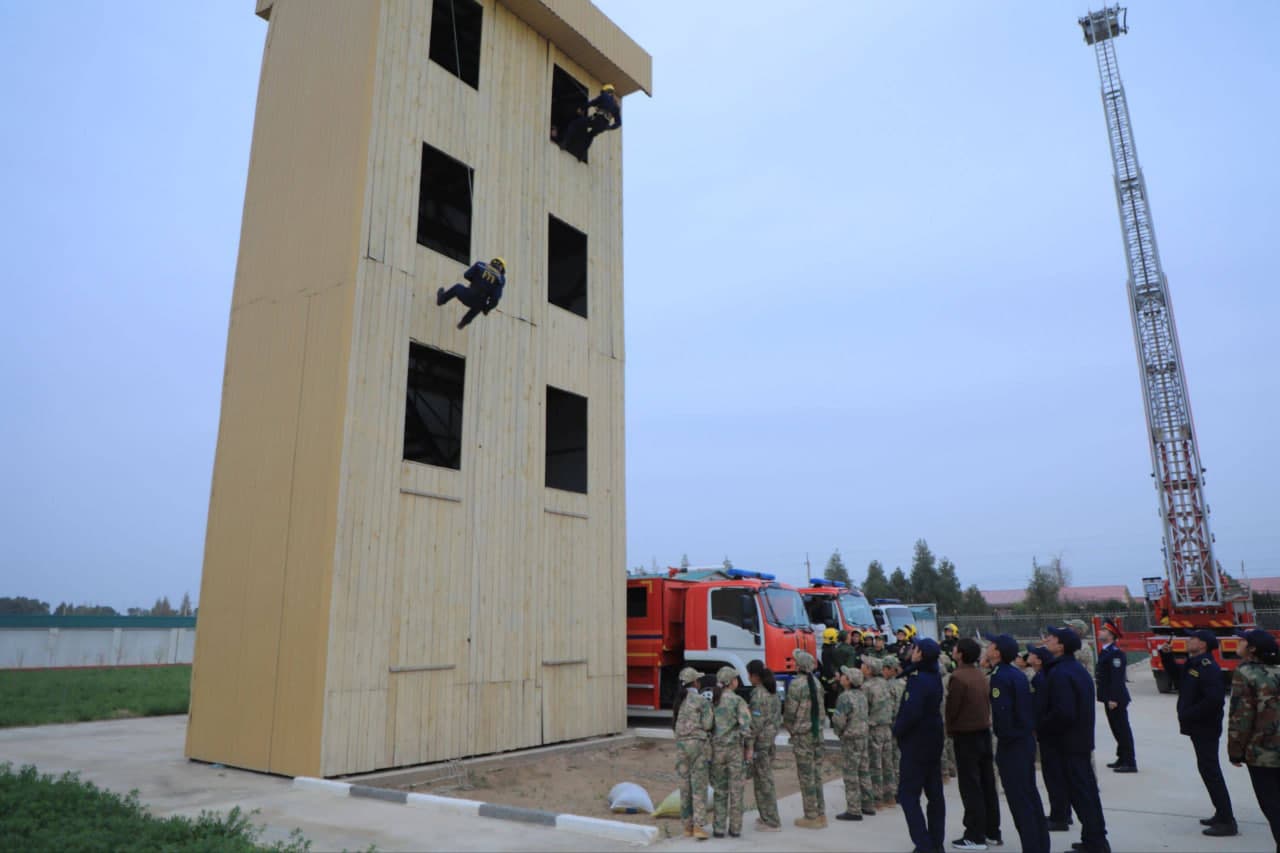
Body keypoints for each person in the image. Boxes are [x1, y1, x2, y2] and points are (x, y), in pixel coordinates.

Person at [1158, 630, 1236, 836]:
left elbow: (1215, 700)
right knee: (1207, 769)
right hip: (1198, 726)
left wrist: (1188, 714)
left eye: (1193, 638)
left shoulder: (1207, 667)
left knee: (1211, 771)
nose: (1188, 640)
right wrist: (1166, 656)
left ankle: (1227, 821)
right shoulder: (1194, 663)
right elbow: (1178, 677)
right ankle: (1221, 813)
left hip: (1205, 727)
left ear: (1202, 645)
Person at [1040, 625, 1109, 853]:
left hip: (1068, 744)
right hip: (1078, 742)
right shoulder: (1074, 669)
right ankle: (1093, 837)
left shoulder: (1061, 673)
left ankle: (1096, 843)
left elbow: (1064, 712)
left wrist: (1041, 726)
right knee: (1085, 792)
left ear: (1061, 646)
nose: (1046, 640)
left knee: (1082, 794)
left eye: (1051, 638)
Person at [986, 634, 1050, 853]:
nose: (988, 647)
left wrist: (1003, 738)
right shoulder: (1015, 673)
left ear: (997, 652)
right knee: (1030, 796)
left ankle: (1032, 847)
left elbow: (1003, 715)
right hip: (1023, 742)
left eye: (991, 645)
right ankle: (1040, 845)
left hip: (1012, 745)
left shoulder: (1000, 677)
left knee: (1020, 801)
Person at [1228, 629, 1280, 852]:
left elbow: (1241, 716)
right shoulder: (1277, 671)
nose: (1238, 644)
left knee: (1272, 806)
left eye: (1242, 641)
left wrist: (1235, 750)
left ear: (1252, 649)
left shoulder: (1245, 672)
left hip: (1262, 752)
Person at [947, 637, 1001, 850]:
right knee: (987, 783)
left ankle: (975, 835)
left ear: (960, 654)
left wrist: (950, 730)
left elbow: (952, 709)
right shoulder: (980, 675)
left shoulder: (958, 677)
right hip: (983, 733)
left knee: (971, 786)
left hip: (966, 735)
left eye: (955, 648)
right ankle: (992, 831)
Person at [894, 638, 947, 853]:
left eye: (914, 648)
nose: (911, 651)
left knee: (908, 795)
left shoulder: (918, 679)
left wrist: (897, 730)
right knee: (934, 794)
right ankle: (936, 842)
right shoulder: (933, 675)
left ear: (920, 655)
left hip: (917, 743)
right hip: (932, 740)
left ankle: (924, 845)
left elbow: (911, 713)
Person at [1028, 644, 1070, 832]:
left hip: (1049, 735)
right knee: (1055, 775)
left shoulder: (1041, 679)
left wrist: (1039, 725)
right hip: (1051, 733)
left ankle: (1059, 816)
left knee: (1054, 776)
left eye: (1032, 654)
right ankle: (1062, 813)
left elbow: (1043, 707)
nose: (1028, 656)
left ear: (1038, 660)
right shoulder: (1043, 676)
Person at [783, 648, 827, 828]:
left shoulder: (797, 684)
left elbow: (790, 712)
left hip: (802, 735)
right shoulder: (816, 683)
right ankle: (821, 812)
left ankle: (811, 816)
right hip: (817, 733)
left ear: (799, 666)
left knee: (806, 776)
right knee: (816, 774)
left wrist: (790, 728)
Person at [710, 667, 752, 838]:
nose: (738, 681)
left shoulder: (713, 700)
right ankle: (735, 828)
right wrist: (748, 747)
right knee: (736, 791)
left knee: (719, 790)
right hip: (734, 751)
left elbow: (707, 725)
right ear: (731, 681)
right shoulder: (738, 701)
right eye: (736, 678)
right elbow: (746, 727)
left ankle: (718, 828)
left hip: (717, 751)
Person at [672, 666, 713, 840]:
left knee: (685, 787)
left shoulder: (678, 700)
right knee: (699, 786)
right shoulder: (700, 700)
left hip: (681, 746)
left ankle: (687, 826)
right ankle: (699, 826)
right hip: (697, 745)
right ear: (695, 682)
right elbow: (708, 724)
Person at [833, 665, 874, 821]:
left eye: (845, 676)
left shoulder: (845, 697)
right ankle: (868, 805)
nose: (842, 677)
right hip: (863, 735)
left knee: (851, 773)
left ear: (849, 681)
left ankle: (854, 810)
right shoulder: (862, 695)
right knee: (864, 770)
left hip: (850, 738)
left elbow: (839, 720)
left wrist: (840, 732)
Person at [746, 660, 782, 833]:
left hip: (761, 743)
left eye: (749, 675)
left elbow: (755, 724)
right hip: (770, 741)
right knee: (763, 779)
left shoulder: (758, 694)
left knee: (763, 781)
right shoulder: (772, 691)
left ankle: (772, 820)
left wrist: (749, 745)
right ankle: (766, 816)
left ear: (754, 676)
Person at [1096, 621, 1137, 773]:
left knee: (1122, 730)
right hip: (1109, 698)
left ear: (1111, 635)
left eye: (1103, 630)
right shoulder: (1106, 651)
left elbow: (1117, 678)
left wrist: (1113, 698)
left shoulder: (1116, 653)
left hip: (1116, 699)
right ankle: (1122, 757)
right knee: (1116, 729)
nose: (1100, 632)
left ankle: (1130, 762)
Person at [437, 257, 507, 329]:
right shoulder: (501, 279)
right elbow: (495, 299)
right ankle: (463, 322)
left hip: (467, 295)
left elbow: (466, 275)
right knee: (480, 306)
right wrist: (487, 309)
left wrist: (476, 281)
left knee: (457, 287)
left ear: (492, 262)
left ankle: (441, 300)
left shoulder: (480, 264)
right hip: (478, 303)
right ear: (502, 269)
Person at [864, 657, 892, 813]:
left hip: (874, 728)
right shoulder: (885, 684)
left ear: (869, 669)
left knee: (875, 764)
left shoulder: (867, 686)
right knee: (887, 762)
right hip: (886, 727)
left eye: (864, 665)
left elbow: (864, 708)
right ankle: (890, 796)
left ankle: (877, 799)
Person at [561, 83, 622, 156]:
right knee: (590, 135)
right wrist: (610, 127)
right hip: (603, 126)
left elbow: (591, 103)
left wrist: (582, 108)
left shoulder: (604, 96)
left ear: (605, 91)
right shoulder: (616, 107)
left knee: (574, 124)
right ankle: (581, 155)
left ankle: (564, 144)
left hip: (596, 119)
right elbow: (619, 123)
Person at [887, 657, 906, 802]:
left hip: (893, 724)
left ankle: (896, 792)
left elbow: (891, 708)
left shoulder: (889, 686)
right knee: (901, 757)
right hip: (903, 723)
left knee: (892, 759)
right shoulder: (904, 683)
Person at [822, 627, 842, 717]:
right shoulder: (832, 651)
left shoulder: (825, 649)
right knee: (832, 700)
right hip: (831, 679)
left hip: (826, 678)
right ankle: (832, 719)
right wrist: (834, 678)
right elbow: (831, 666)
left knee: (829, 698)